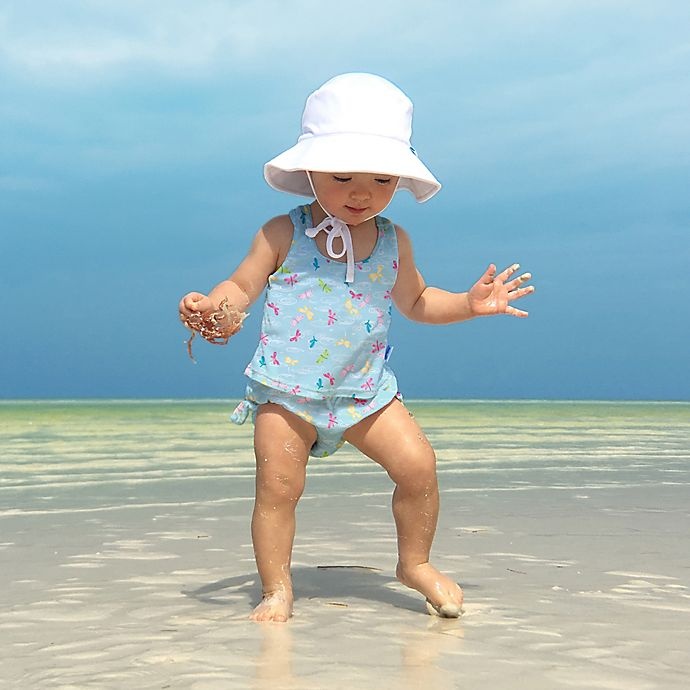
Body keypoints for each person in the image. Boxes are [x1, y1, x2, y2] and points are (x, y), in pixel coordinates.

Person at [179, 73, 534, 623]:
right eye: (342, 176)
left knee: (419, 467)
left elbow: (416, 301)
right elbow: (242, 285)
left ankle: (413, 563)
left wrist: (468, 303)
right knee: (279, 489)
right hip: (287, 392)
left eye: (381, 179)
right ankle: (276, 588)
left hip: (366, 391)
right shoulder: (283, 233)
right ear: (311, 170)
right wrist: (217, 309)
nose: (361, 193)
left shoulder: (393, 240)